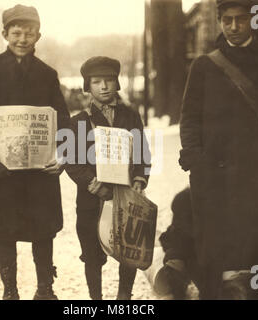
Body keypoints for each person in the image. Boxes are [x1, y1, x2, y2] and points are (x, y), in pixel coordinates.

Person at [179, 0, 258, 299]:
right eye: (226, 20)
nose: (233, 27)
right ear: (220, 20)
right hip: (214, 177)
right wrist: (196, 159)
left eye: (240, 20)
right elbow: (189, 118)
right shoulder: (204, 66)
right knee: (214, 253)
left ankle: (257, 296)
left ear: (253, 19)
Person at [0, 4, 70, 300]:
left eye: (29, 33)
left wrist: (63, 155)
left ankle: (45, 287)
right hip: (1, 169)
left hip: (38, 169)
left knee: (43, 229)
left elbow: (62, 117)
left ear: (38, 35)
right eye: (16, 33)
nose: (23, 39)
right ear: (5, 34)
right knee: (4, 229)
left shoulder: (47, 74)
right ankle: (10, 290)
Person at [65, 56, 151, 300]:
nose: (104, 86)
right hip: (92, 198)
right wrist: (93, 184)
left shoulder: (131, 116)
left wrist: (139, 179)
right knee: (92, 253)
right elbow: (72, 162)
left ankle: (124, 297)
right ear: (87, 86)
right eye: (96, 81)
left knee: (130, 250)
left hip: (127, 196)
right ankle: (96, 300)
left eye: (109, 80)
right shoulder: (78, 121)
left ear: (117, 83)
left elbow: (142, 152)